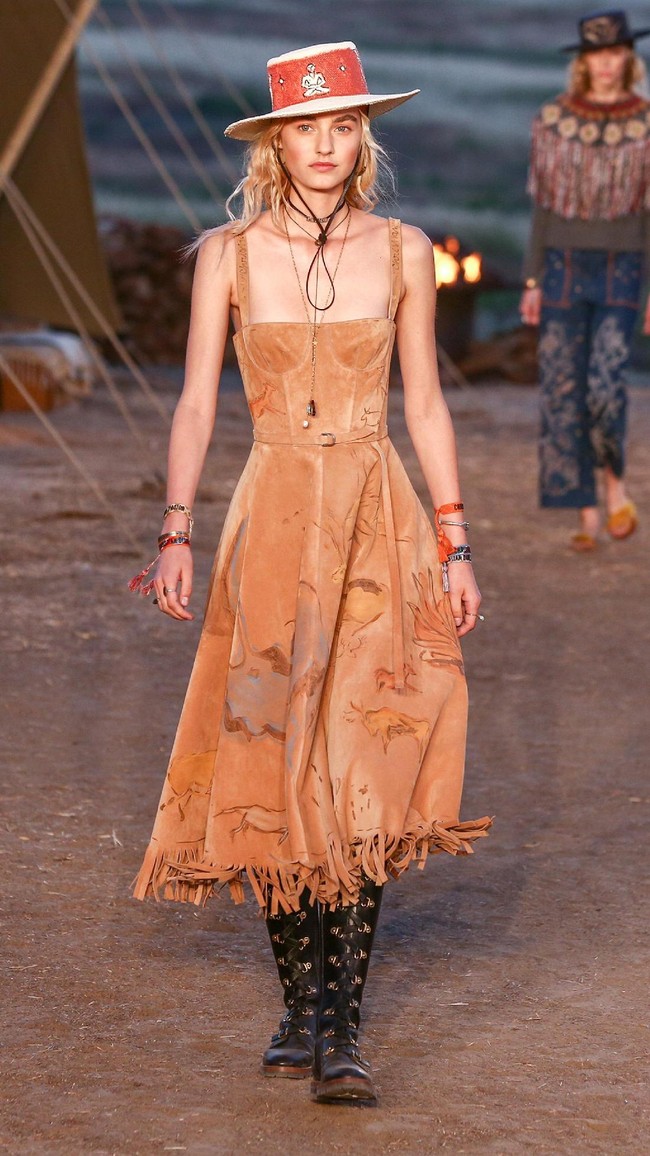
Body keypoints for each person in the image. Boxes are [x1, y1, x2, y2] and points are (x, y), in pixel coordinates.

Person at [131, 41, 491, 1106]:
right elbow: (195, 400)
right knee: (273, 758)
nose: (326, 146)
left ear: (359, 135)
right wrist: (175, 529)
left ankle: (340, 1028)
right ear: (276, 140)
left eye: (342, 127)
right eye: (306, 127)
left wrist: (454, 537)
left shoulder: (405, 249)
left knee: (363, 764)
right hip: (272, 516)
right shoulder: (229, 256)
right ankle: (297, 1003)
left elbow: (424, 402)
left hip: (378, 516)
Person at [520, 9, 650, 551]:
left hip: (624, 268)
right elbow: (544, 207)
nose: (605, 62)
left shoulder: (646, 120)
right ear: (583, 61)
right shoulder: (551, 119)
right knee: (562, 389)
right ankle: (588, 512)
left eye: (615, 51)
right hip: (561, 267)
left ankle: (616, 486)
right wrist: (531, 281)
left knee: (606, 383)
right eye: (596, 53)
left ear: (627, 57)